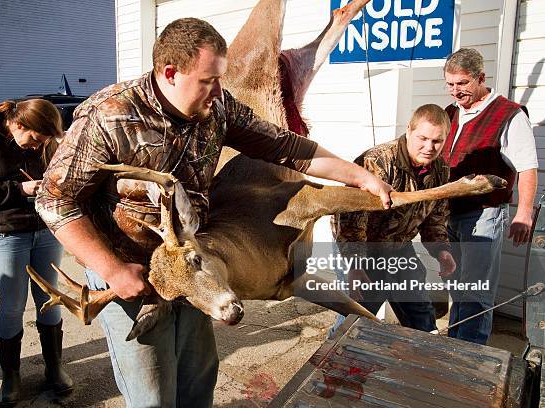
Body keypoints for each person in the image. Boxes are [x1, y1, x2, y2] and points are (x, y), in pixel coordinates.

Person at [35, 17, 393, 408]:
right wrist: (111, 270)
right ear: (170, 73)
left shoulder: (217, 107)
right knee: (153, 396)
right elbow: (55, 200)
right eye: (208, 80)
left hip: (195, 263)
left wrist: (359, 177)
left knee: (197, 382)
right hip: (129, 272)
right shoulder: (109, 116)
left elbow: (286, 147)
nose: (218, 91)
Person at [0, 99, 74, 404]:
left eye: (45, 141)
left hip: (46, 230)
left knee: (51, 298)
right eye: (34, 139)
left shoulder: (44, 142)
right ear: (17, 124)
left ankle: (55, 368)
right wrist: (19, 190)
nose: (37, 147)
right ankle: (11, 378)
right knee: (12, 305)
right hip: (5, 234)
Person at [330, 104, 456, 335]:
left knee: (421, 317)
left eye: (437, 141)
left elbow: (436, 219)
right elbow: (349, 218)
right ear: (409, 130)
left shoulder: (441, 171)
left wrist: (441, 251)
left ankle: (427, 365)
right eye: (423, 138)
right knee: (357, 319)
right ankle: (329, 365)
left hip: (399, 247)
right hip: (361, 247)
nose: (429, 147)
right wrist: (355, 263)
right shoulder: (377, 161)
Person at [441, 48, 538, 345]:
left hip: (484, 214)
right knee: (457, 287)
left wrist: (524, 212)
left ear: (481, 77)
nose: (456, 91)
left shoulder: (508, 114)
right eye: (450, 84)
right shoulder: (451, 112)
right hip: (450, 214)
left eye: (463, 83)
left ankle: (470, 359)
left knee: (476, 292)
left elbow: (527, 166)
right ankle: (456, 347)